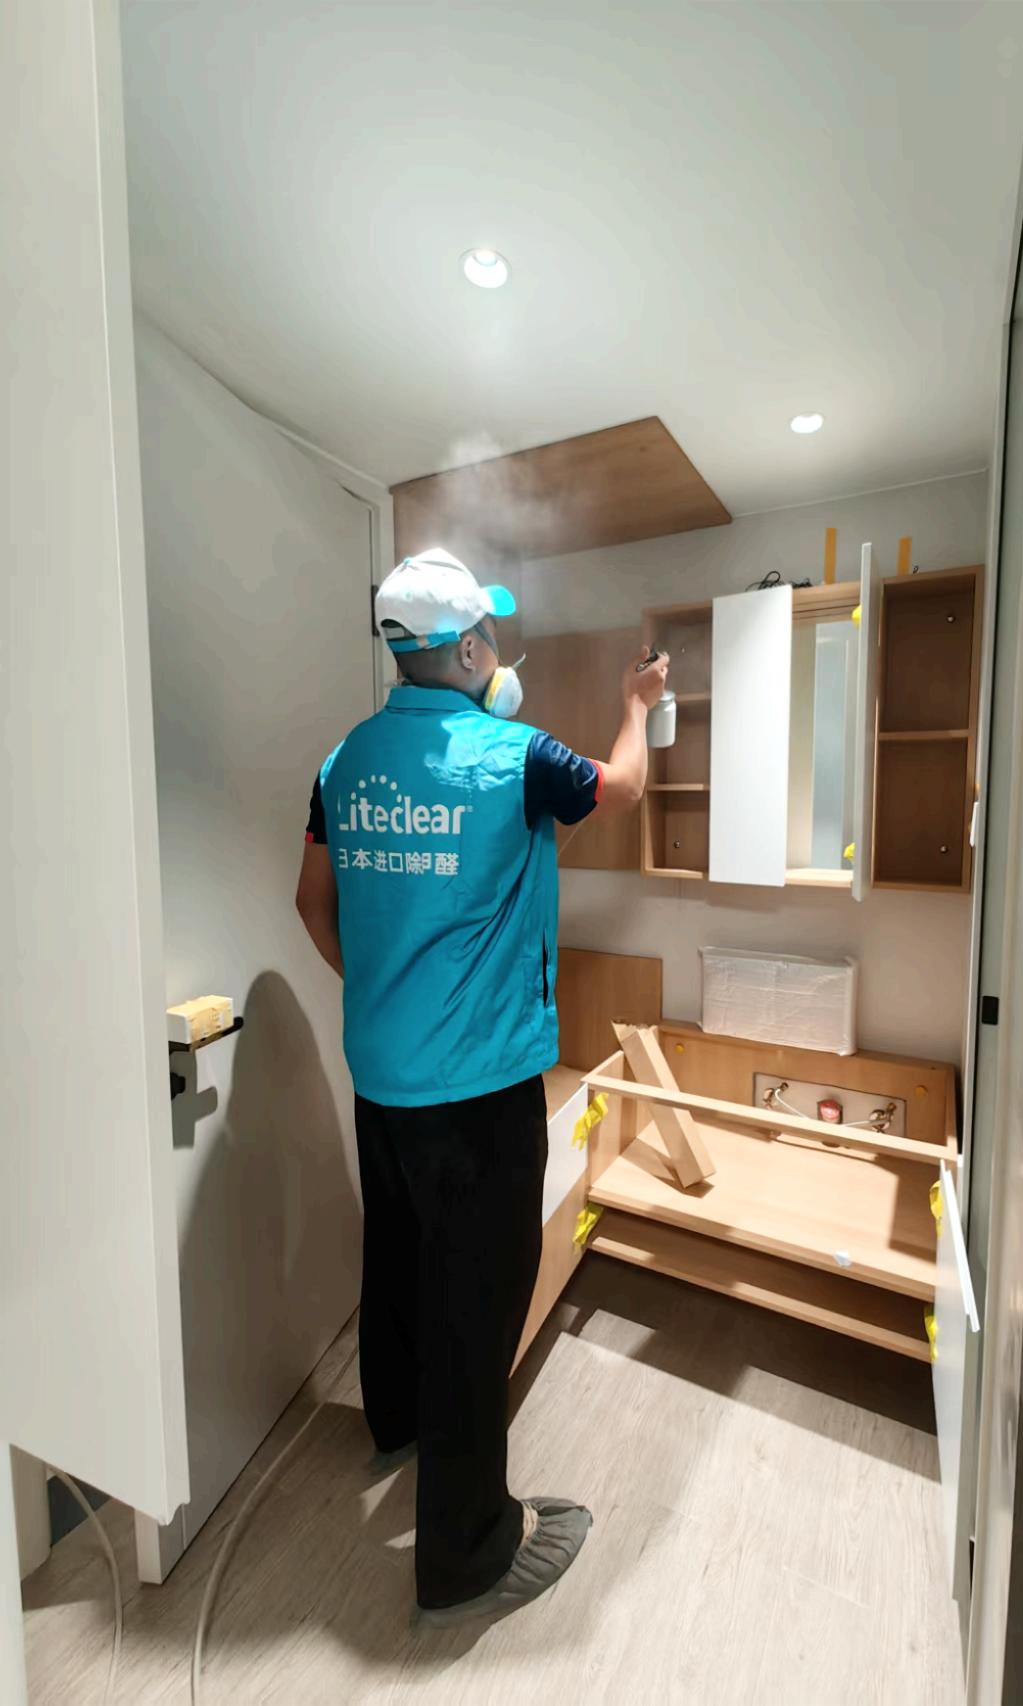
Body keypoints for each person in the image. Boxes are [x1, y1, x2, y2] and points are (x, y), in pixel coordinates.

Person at [294, 545, 666, 1624]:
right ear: (464, 651)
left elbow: (311, 900)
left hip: (382, 1077)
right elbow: (623, 788)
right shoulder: (516, 754)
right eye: (488, 635)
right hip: (478, 1093)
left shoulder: (341, 761)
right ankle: (465, 1554)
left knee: (399, 1258)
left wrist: (385, 997)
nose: (498, 649)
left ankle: (395, 1424)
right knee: (476, 1304)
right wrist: (637, 706)